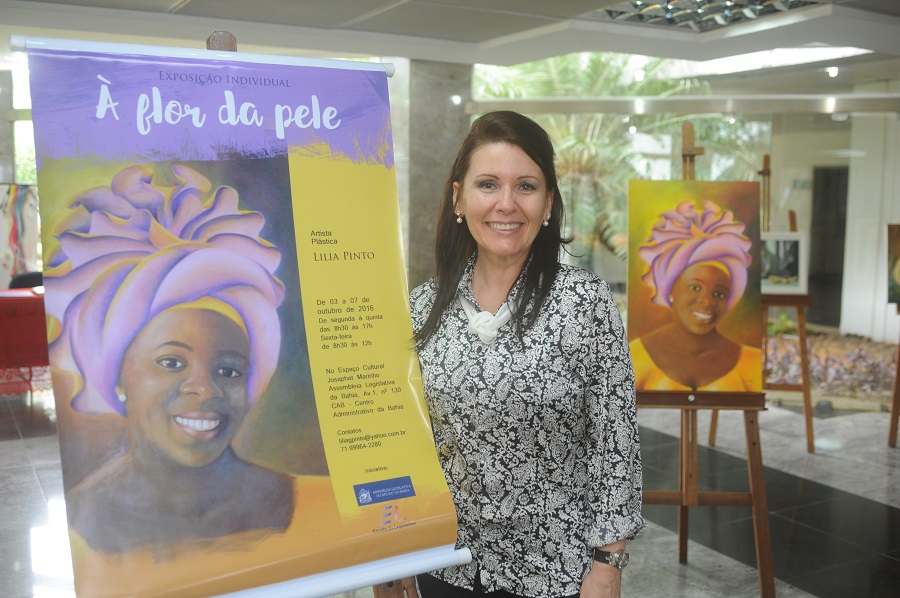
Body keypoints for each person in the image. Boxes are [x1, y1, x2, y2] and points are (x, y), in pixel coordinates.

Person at [406, 111, 645, 598]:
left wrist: (608, 564)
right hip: (443, 565)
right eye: (488, 184)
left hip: (553, 572)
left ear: (549, 202)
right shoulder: (421, 308)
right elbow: (406, 446)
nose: (506, 204)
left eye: (527, 187)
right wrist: (394, 557)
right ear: (458, 198)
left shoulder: (584, 304)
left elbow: (615, 444)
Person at [44, 164, 294, 553]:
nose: (204, 389)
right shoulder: (85, 524)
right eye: (172, 362)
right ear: (116, 376)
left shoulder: (302, 503)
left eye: (229, 370)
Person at [629, 200, 762, 391]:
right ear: (670, 289)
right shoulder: (633, 357)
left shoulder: (752, 362)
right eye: (695, 287)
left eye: (719, 293)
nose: (707, 301)